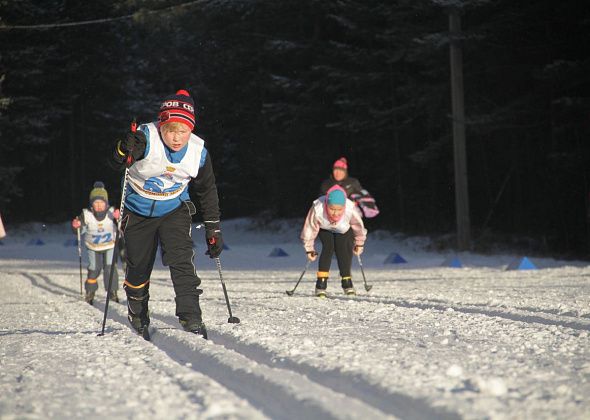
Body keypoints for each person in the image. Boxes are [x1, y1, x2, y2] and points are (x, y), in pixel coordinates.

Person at [111, 89, 222, 339]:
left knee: (182, 261)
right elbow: (115, 161)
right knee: (138, 268)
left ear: (190, 130)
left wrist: (213, 227)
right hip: (138, 210)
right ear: (161, 125)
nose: (176, 137)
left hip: (174, 208)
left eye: (183, 131)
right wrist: (123, 148)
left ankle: (191, 317)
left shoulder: (198, 151)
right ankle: (138, 314)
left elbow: (207, 190)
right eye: (170, 130)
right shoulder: (145, 137)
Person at [300, 185, 367, 297]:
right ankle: (321, 283)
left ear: (344, 207)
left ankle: (347, 282)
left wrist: (359, 243)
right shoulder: (318, 208)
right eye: (332, 209)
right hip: (325, 228)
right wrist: (309, 249)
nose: (335, 213)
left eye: (339, 209)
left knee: (343, 250)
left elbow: (358, 226)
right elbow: (310, 228)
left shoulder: (350, 209)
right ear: (326, 204)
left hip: (343, 229)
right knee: (328, 248)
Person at [71, 182, 120, 305]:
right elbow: (80, 230)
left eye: (101, 203)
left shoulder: (112, 212)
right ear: (91, 204)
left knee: (110, 268)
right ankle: (90, 292)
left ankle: (112, 292)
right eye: (95, 203)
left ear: (106, 203)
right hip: (93, 247)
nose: (98, 206)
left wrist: (120, 218)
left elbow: (123, 227)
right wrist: (76, 226)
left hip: (110, 245)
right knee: (94, 269)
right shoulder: (86, 214)